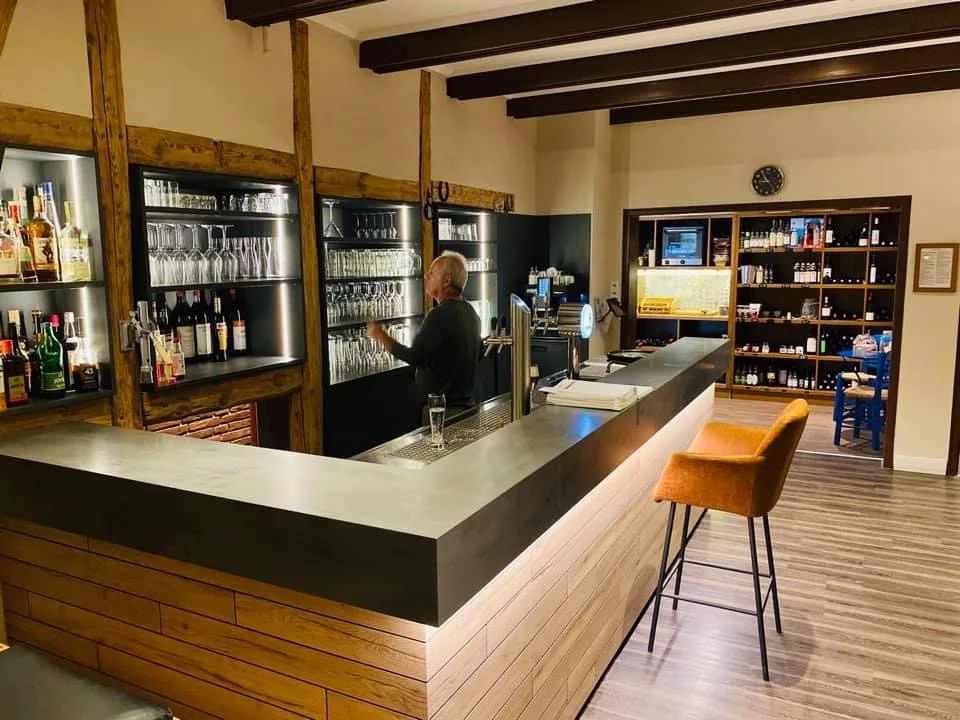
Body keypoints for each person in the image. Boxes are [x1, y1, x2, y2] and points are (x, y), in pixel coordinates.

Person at [366, 250, 480, 416]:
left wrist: (380, 335)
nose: (426, 276)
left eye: (432, 273)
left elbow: (414, 357)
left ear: (446, 281)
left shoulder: (439, 315)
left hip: (443, 412)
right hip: (467, 408)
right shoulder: (471, 312)